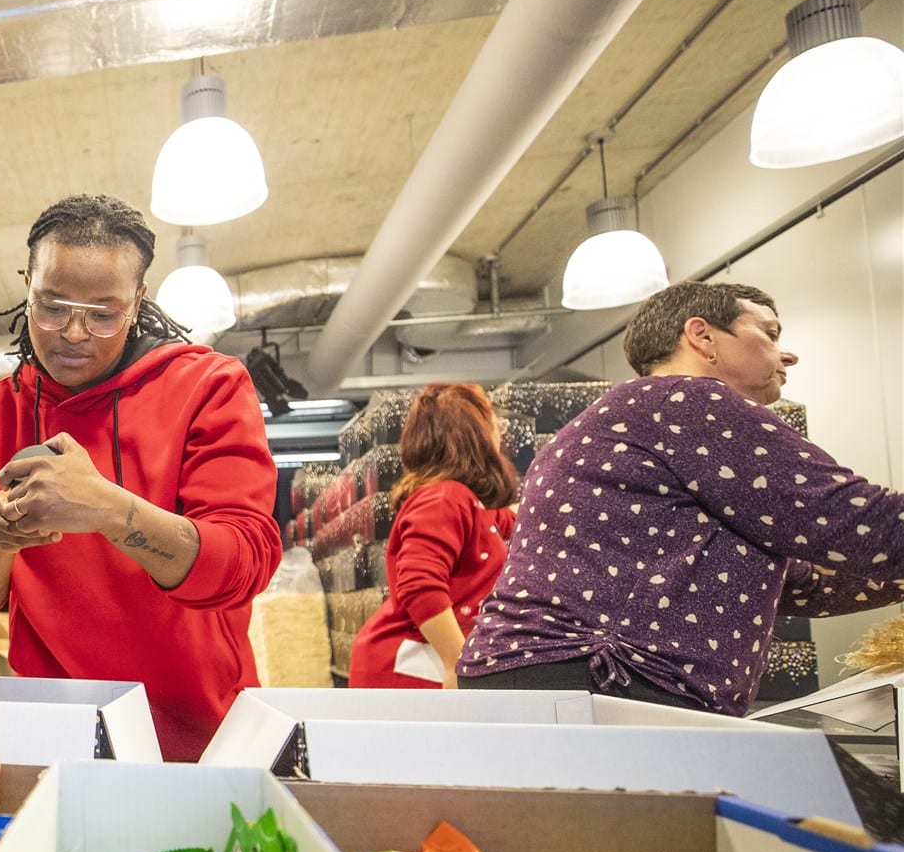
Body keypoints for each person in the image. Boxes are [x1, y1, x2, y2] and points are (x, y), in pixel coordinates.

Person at [0, 194, 282, 761]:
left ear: (138, 300)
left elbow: (244, 562)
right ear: (26, 285)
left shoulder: (208, 388)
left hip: (202, 735)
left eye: (103, 313)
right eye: (51, 306)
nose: (74, 332)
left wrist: (109, 510)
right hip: (57, 735)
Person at [459, 280, 904, 715]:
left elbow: (799, 585)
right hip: (602, 676)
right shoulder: (687, 402)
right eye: (768, 333)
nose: (786, 354)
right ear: (702, 335)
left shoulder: (621, 420)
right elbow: (851, 519)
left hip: (545, 678)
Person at [349, 383, 519, 689]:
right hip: (413, 666)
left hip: (417, 662)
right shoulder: (446, 498)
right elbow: (420, 584)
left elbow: (507, 520)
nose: (500, 433)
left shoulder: (463, 501)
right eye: (492, 423)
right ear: (475, 434)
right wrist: (458, 662)